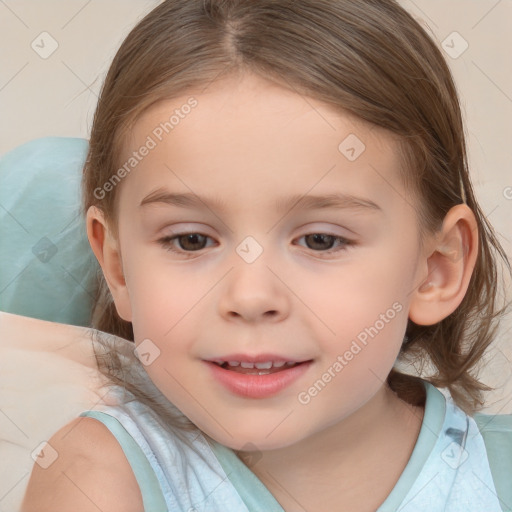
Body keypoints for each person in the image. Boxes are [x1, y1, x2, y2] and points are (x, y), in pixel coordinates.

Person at [21, 0, 512, 511]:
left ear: (436, 269)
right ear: (118, 267)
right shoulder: (97, 477)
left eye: (321, 240)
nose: (250, 297)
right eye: (191, 240)